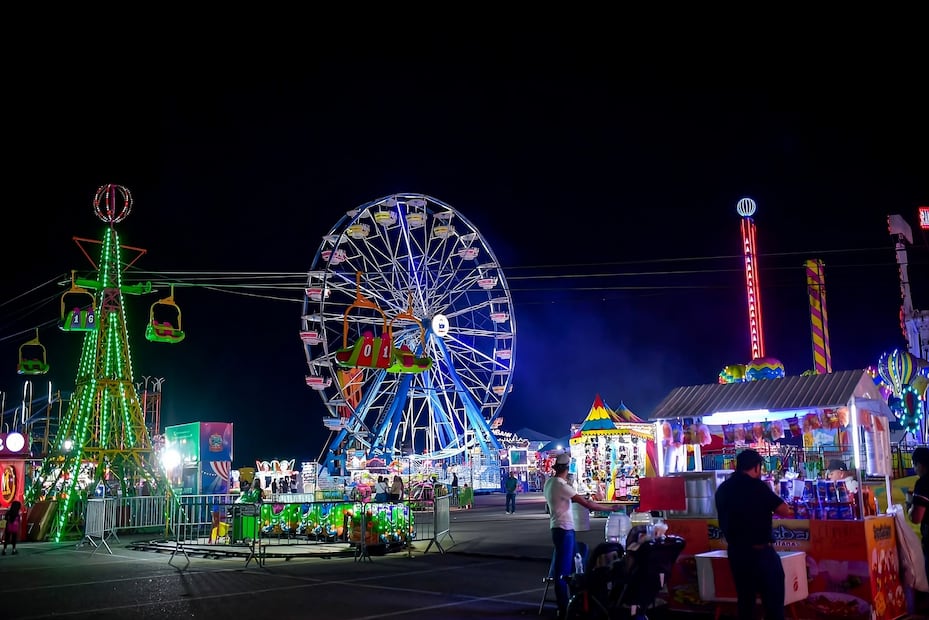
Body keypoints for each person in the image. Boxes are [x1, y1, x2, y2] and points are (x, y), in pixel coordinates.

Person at [714, 448, 793, 620]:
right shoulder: (758, 487)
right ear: (756, 467)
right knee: (773, 602)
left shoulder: (723, 489)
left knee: (746, 601)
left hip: (737, 553)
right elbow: (784, 510)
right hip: (761, 553)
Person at [543, 453, 624, 619]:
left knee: (575, 567)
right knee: (563, 571)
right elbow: (586, 504)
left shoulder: (550, 483)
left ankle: (576, 603)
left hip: (558, 529)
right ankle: (564, 609)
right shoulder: (561, 485)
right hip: (564, 530)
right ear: (566, 468)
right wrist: (610, 509)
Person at [908, 446, 929, 583]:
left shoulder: (923, 483)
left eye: (914, 466)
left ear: (920, 465)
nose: (915, 470)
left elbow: (916, 517)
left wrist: (909, 506)